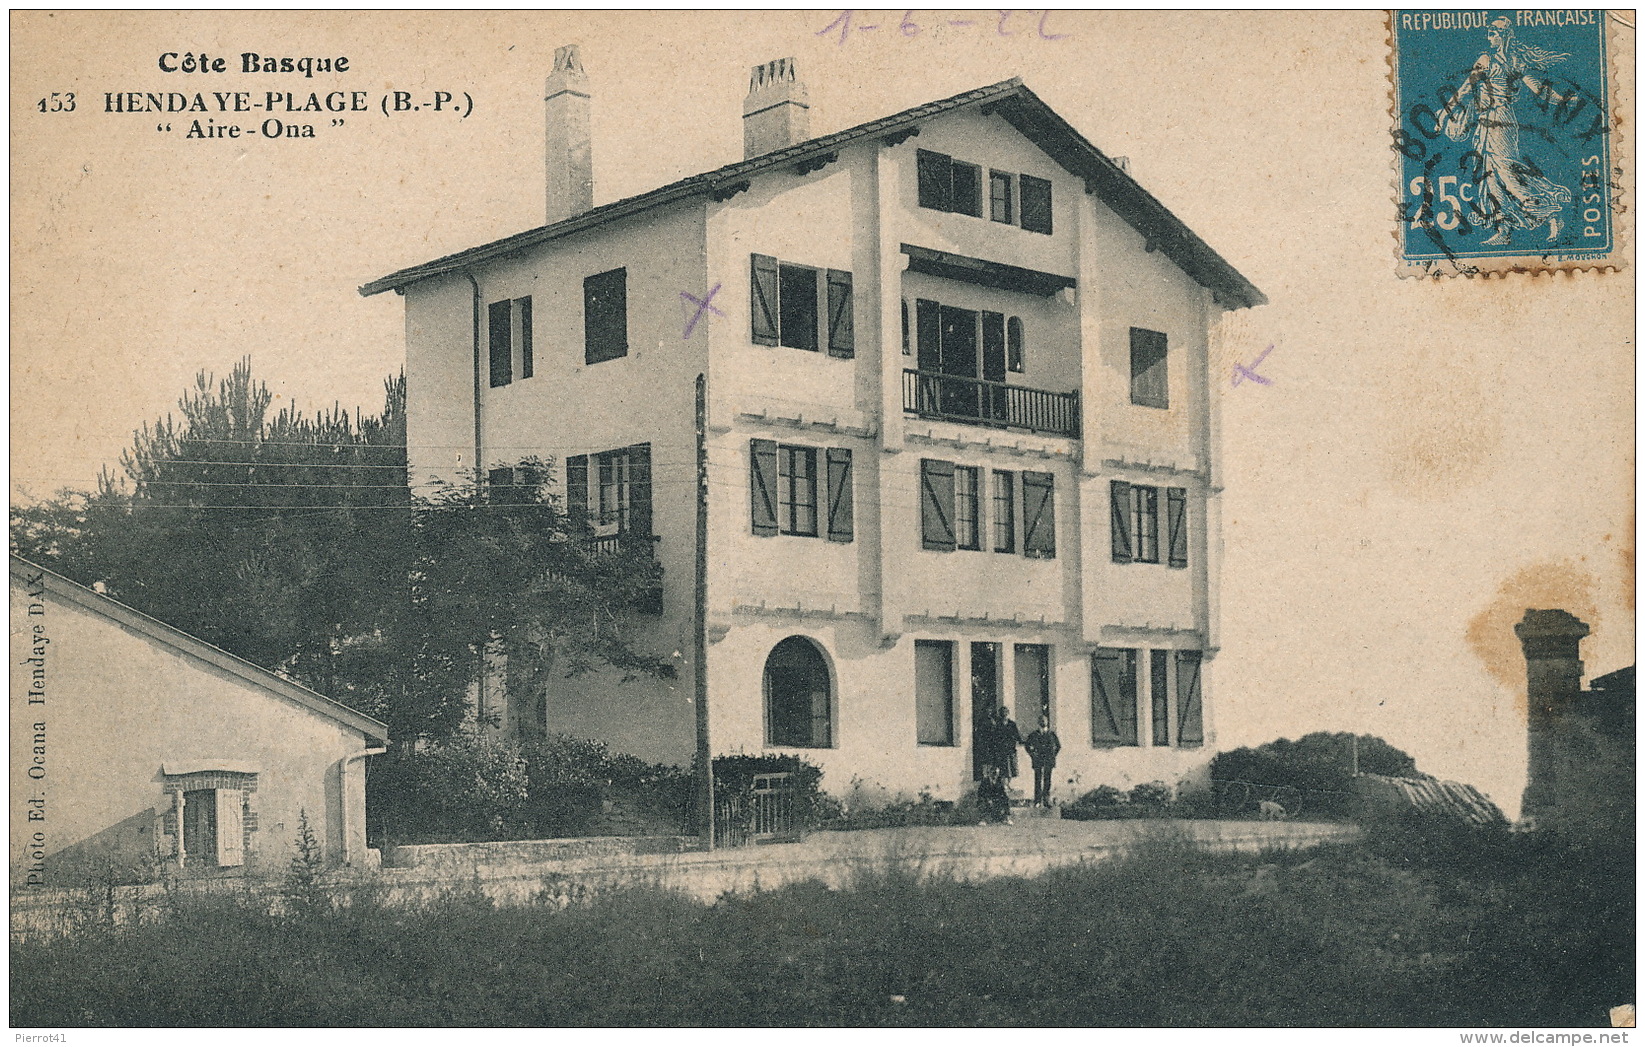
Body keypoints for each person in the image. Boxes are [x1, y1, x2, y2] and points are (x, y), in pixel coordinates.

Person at [1438, 17, 1573, 245]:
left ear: (1503, 36)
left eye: (1492, 34)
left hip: (1499, 120)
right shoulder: (1514, 61)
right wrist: (1561, 100)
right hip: (1488, 121)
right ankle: (1504, 229)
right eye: (1489, 34)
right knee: (1489, 176)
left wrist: (1445, 111)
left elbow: (1465, 88)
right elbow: (1540, 90)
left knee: (1507, 174)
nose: (1489, 38)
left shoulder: (1490, 60)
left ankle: (1550, 213)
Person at [1024, 714, 1062, 808]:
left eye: (1045, 720)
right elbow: (1027, 745)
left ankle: (1046, 800)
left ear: (1047, 722)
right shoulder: (1034, 734)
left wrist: (1053, 756)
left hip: (1048, 760)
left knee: (1047, 780)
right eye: (1041, 721)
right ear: (1038, 722)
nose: (1043, 722)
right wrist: (1033, 755)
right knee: (1038, 779)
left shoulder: (1051, 734)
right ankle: (1037, 801)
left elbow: (1058, 746)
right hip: (1038, 760)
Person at [993, 706, 1023, 781]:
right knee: (1002, 770)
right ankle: (1003, 785)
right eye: (1002, 713)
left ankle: (1009, 784)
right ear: (1000, 714)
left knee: (1011, 769)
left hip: (1010, 749)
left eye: (1006, 712)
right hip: (1001, 750)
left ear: (1008, 713)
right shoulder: (997, 724)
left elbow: (1017, 735)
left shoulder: (1012, 724)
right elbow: (994, 737)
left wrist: (1020, 741)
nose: (1004, 714)